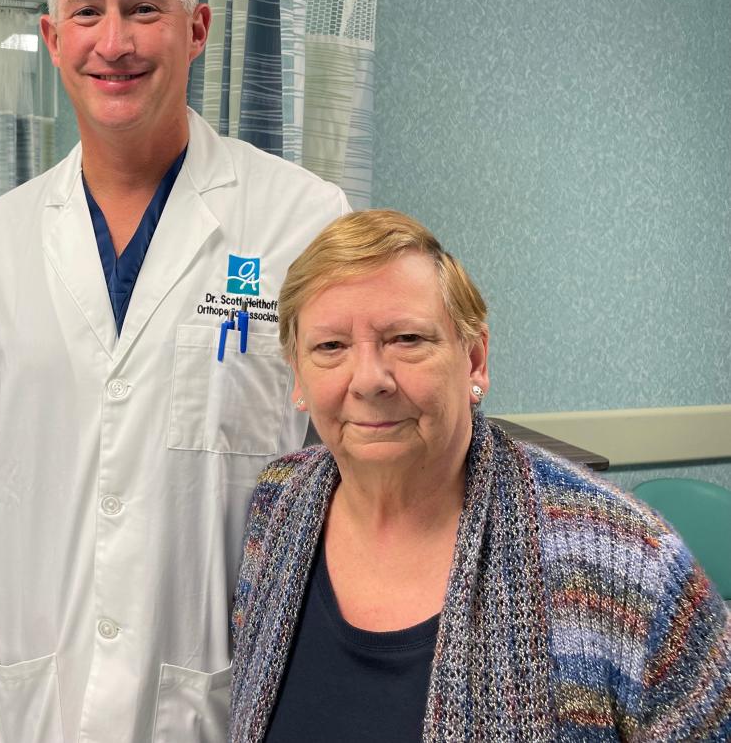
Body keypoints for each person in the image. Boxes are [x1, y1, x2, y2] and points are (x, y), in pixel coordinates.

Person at [0, 0, 350, 743]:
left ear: (196, 29)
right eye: (88, 13)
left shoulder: (300, 218)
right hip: (37, 677)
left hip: (223, 682)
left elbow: (346, 459)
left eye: (143, 8)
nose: (114, 41)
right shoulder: (2, 237)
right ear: (55, 40)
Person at [229, 209, 731, 742]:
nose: (370, 379)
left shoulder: (625, 563)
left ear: (474, 360)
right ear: (298, 375)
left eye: (406, 339)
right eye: (330, 347)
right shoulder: (278, 508)